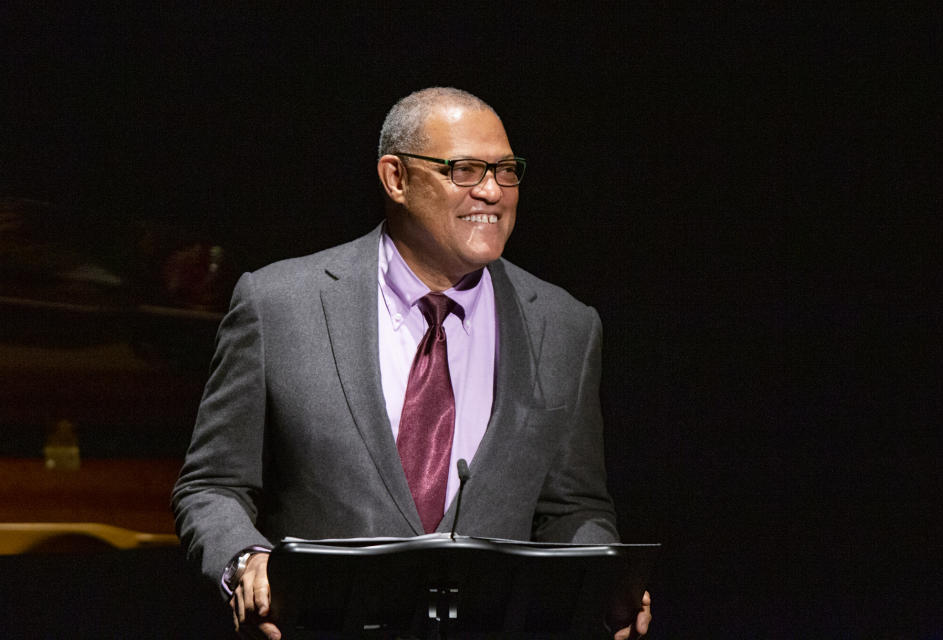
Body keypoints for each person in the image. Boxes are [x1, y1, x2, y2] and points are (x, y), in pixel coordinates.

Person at [172, 87, 651, 639]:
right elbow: (211, 485)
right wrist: (244, 563)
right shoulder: (280, 305)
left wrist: (604, 579)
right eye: (466, 170)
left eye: (507, 170)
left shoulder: (566, 327)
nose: (493, 191)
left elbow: (573, 507)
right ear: (395, 178)